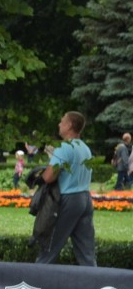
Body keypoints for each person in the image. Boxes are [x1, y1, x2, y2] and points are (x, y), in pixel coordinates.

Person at [37, 111, 96, 266]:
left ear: (69, 125)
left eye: (62, 121)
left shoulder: (64, 147)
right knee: (86, 252)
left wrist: (40, 173)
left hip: (68, 199)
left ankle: (36, 282)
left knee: (50, 245)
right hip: (85, 199)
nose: (59, 124)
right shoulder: (85, 148)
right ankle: (95, 285)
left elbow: (49, 177)